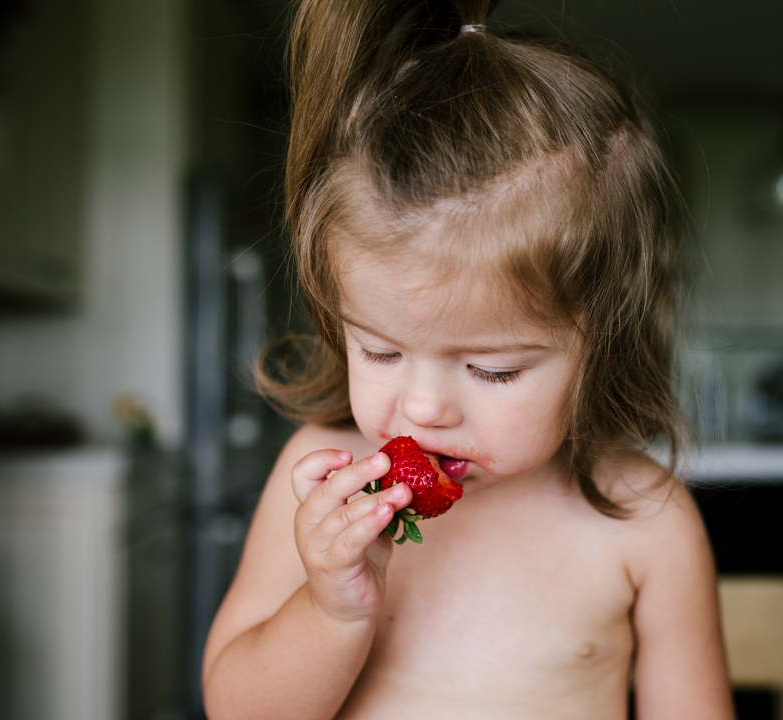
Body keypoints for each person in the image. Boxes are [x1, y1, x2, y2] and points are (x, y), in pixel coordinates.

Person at [201, 0, 733, 718]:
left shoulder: (646, 520)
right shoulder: (320, 482)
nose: (421, 409)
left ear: (600, 346)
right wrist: (330, 610)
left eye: (493, 369)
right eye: (379, 350)